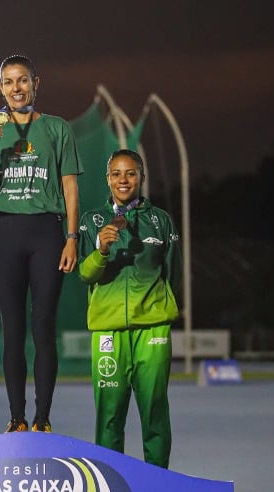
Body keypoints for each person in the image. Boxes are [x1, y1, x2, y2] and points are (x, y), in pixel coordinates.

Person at [0, 54, 83, 434]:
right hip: (6, 232)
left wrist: (72, 237)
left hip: (47, 233)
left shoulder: (57, 128)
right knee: (13, 328)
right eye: (9, 82)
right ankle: (17, 417)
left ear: (37, 83)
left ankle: (43, 418)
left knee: (43, 327)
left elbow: (70, 187)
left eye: (23, 80)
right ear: (0, 87)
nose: (16, 88)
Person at [77, 149, 181, 469]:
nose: (124, 180)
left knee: (154, 411)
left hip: (152, 329)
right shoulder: (92, 221)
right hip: (108, 332)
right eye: (117, 174)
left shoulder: (160, 221)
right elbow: (85, 273)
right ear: (107, 179)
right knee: (109, 417)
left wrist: (157, 308)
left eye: (131, 173)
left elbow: (171, 272)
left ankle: (158, 486)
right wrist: (102, 250)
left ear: (141, 178)